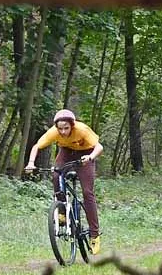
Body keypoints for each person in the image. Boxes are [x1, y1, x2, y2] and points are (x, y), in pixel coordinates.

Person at [25, 109, 104, 254]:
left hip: (86, 153)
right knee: (56, 175)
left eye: (66, 128)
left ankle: (94, 234)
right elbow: (37, 146)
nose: (62, 131)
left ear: (72, 126)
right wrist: (31, 163)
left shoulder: (82, 129)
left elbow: (99, 147)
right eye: (59, 128)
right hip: (66, 152)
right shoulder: (54, 132)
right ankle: (61, 210)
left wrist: (91, 157)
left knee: (87, 193)